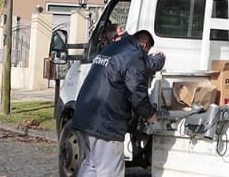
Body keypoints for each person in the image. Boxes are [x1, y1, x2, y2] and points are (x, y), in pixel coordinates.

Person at [70, 29, 163, 177]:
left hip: (85, 116)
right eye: (146, 52)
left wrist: (158, 59)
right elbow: (137, 91)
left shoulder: (114, 48)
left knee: (90, 165)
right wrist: (149, 114)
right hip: (106, 123)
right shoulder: (134, 55)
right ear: (144, 45)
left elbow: (145, 64)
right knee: (109, 171)